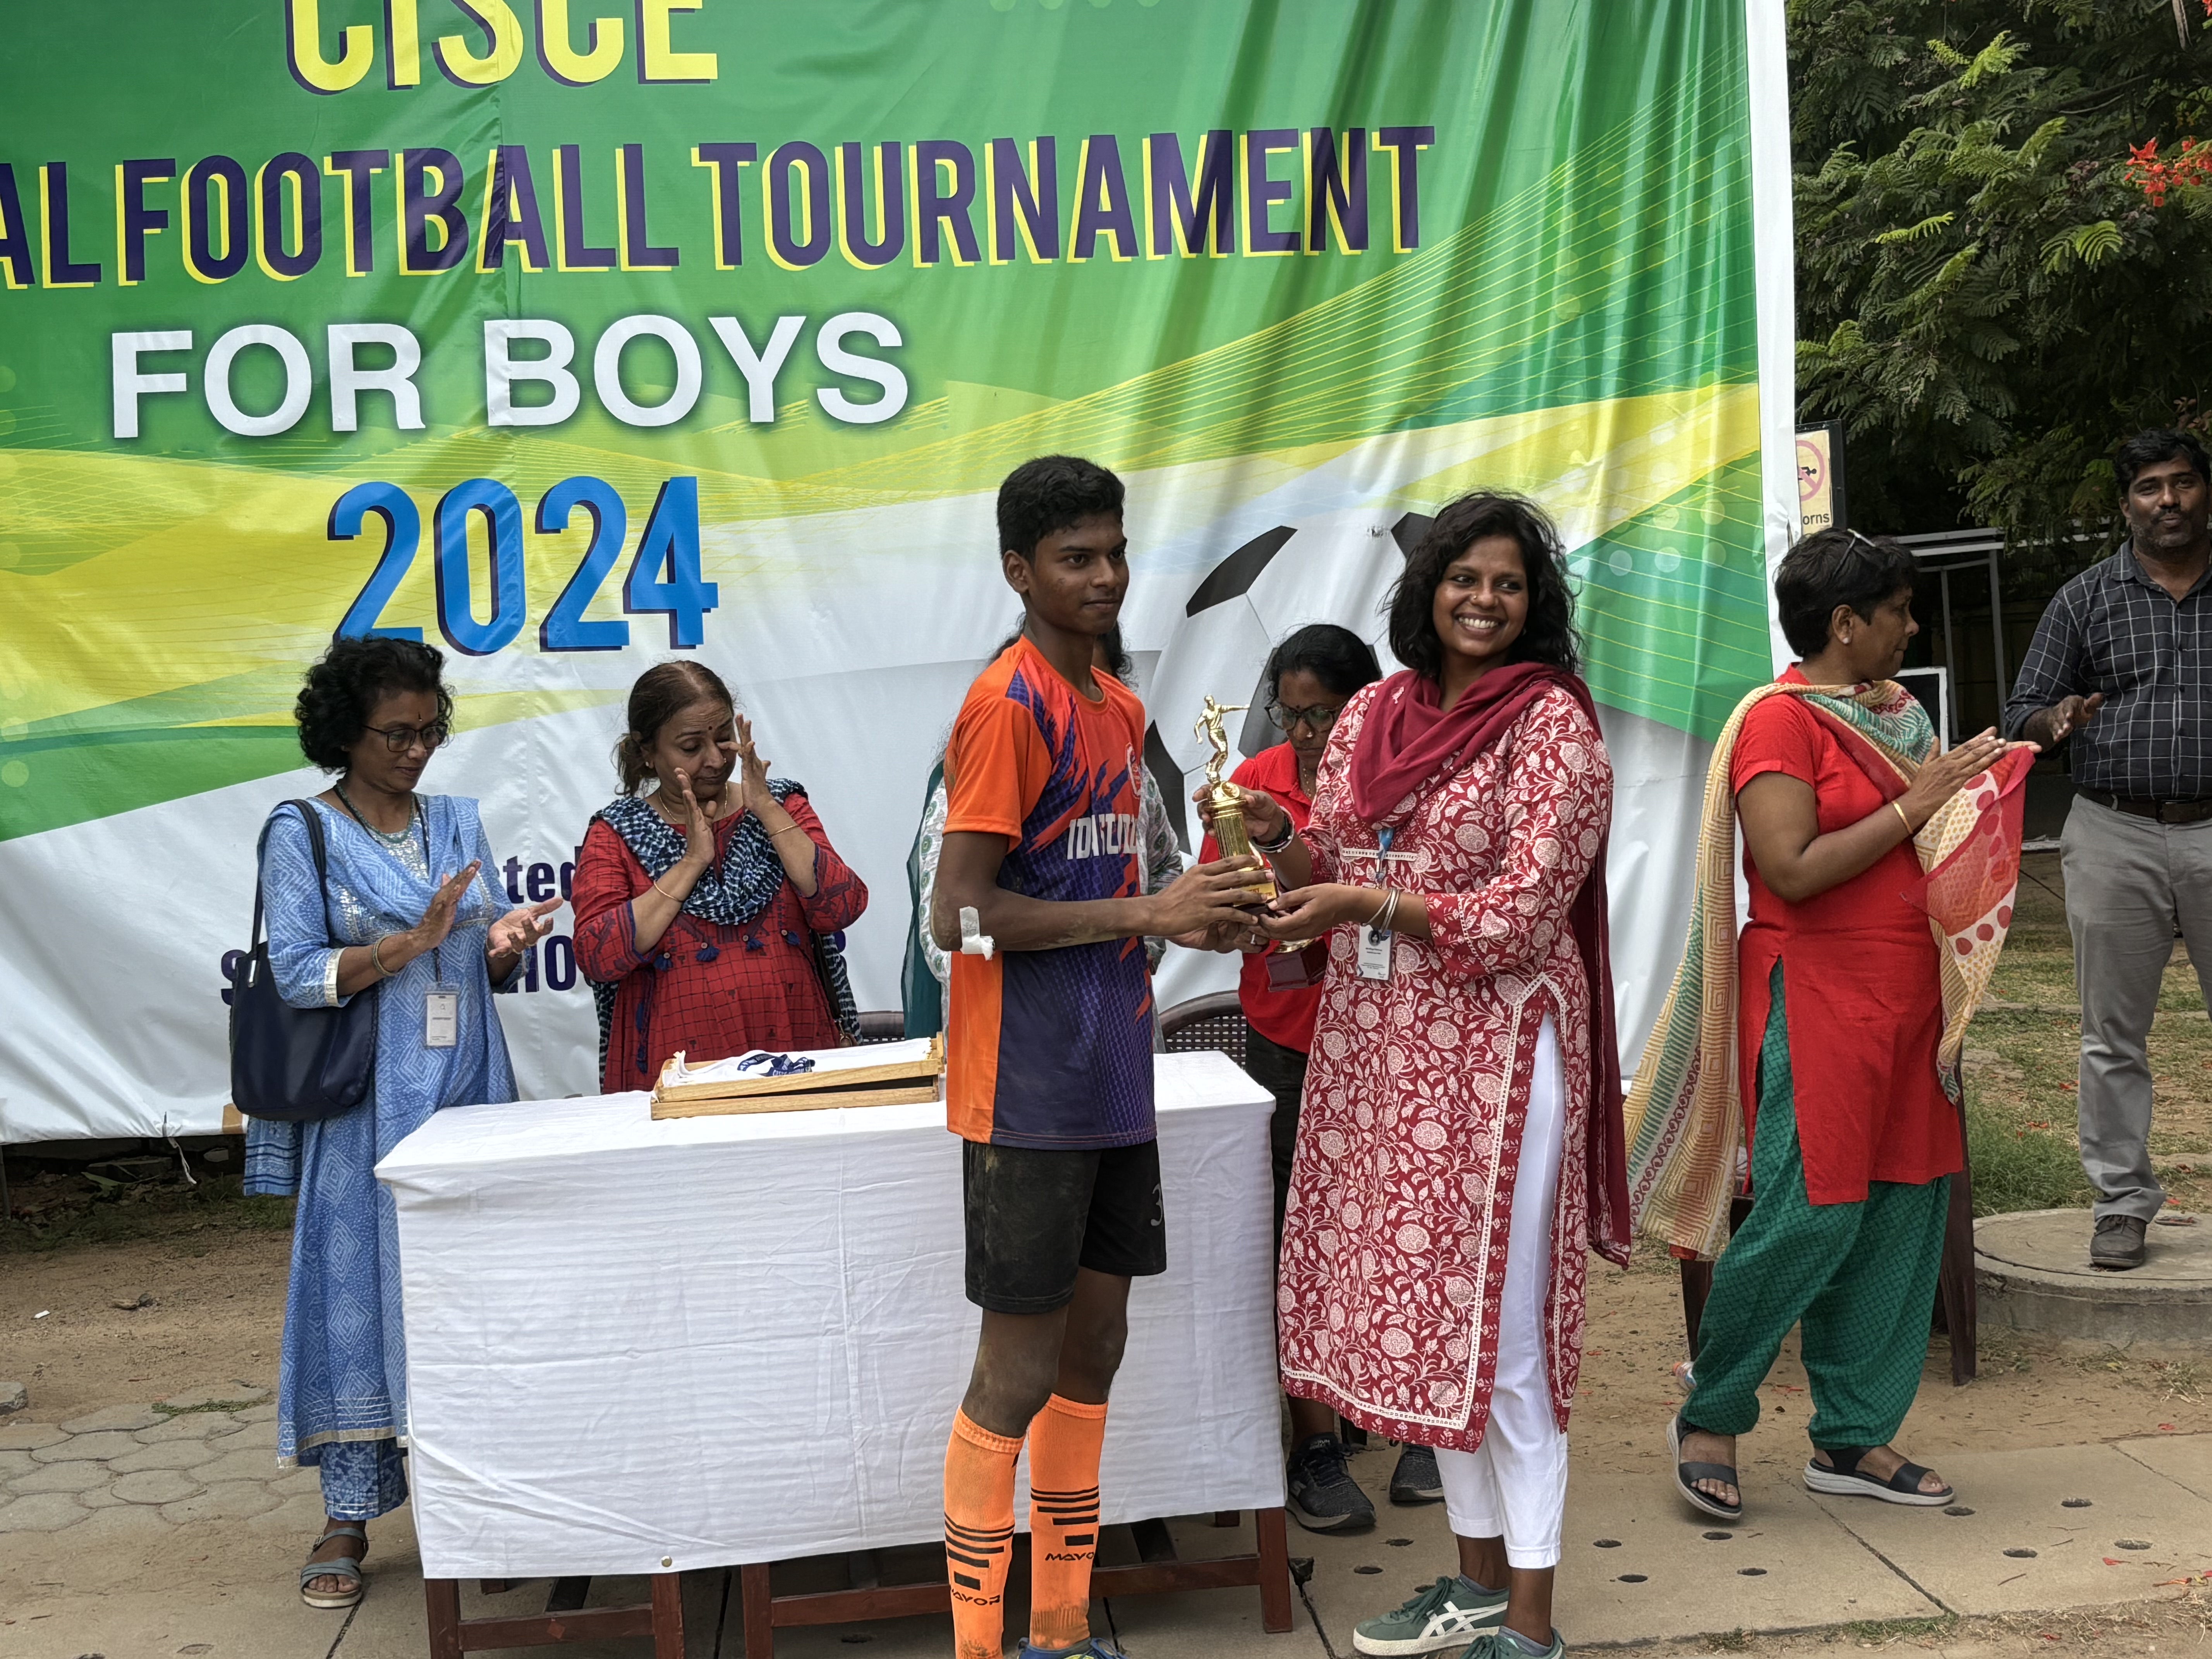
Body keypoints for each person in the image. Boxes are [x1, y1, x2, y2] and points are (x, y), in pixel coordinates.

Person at [1219, 493, 1629, 1659]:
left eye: (1507, 583)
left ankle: (1531, 1623)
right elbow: (1338, 856)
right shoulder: (1373, 714)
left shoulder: (1553, 727)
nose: (1482, 600)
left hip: (1497, 1060)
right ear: (1427, 590)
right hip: (1382, 1055)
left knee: (1501, 1336)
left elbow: (1522, 914)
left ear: (1533, 602)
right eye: (1464, 578)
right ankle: (1474, 1585)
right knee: (1430, 1331)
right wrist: (1277, 838)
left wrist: (1368, 901)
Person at [929, 455, 1266, 1659]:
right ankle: (982, 1647)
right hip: (1024, 1085)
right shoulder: (1007, 706)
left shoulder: (1118, 709)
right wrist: (1143, 913)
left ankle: (1063, 1630)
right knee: (1016, 1371)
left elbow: (1132, 887)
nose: (1104, 576)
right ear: (1018, 571)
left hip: (1114, 1072)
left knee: (1096, 1351)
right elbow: (957, 914)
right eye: (1075, 557)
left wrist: (1208, 909)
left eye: (1115, 552)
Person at [1632, 528, 2029, 1523]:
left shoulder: (1900, 716)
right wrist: (1921, 804)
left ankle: (1852, 1435)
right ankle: (1712, 1414)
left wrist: (1983, 794)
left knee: (1902, 1210)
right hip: (1815, 995)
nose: (1912, 627)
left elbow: (1934, 843)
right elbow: (1794, 869)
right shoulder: (1779, 720)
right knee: (1812, 1211)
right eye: (1897, 610)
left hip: (1910, 995)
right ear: (1845, 623)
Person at [243, 636, 560, 1610]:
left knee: (476, 1299)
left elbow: (486, 951)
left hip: (468, 1092)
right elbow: (296, 969)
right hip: (365, 1112)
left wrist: (503, 941)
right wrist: (407, 945)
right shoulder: (302, 830)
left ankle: (487, 1507)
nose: (416, 751)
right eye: (395, 734)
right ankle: (348, 1516)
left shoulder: (458, 821)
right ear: (345, 732)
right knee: (360, 1297)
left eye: (428, 732)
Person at [1192, 623, 1410, 1531]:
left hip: (1397, 1040)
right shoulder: (1252, 785)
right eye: (1293, 714)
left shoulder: (1406, 776)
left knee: (1400, 1231)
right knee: (1298, 1234)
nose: (1309, 734)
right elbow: (1212, 920)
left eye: (1324, 714)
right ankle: (1314, 1445)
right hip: (1289, 1039)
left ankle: (1417, 1421)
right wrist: (1243, 918)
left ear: (1367, 704)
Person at [2003, 429, 2212, 1270]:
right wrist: (2053, 720)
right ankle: (2122, 1202)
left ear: (2204, 491)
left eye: (2183, 482)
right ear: (2126, 505)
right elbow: (2022, 710)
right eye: (2150, 488)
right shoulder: (2084, 599)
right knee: (2111, 1034)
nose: (2169, 500)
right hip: (2114, 831)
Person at [572, 661, 867, 1093]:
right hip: (674, 1078)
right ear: (648, 751)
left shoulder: (782, 804)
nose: (715, 760)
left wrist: (766, 808)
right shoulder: (617, 833)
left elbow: (842, 907)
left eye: (724, 737)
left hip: (797, 1054)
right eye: (691, 747)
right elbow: (598, 956)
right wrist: (692, 861)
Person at [908, 626, 1184, 1038]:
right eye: (1059, 683)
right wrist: (1110, 934)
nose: (1075, 698)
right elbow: (949, 929)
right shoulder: (983, 768)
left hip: (1123, 1015)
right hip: (1022, 1031)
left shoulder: (1133, 771)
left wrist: (1145, 944)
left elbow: (1165, 866)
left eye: (1092, 683)